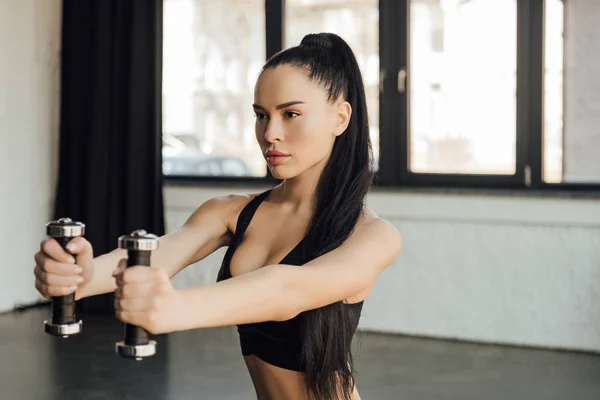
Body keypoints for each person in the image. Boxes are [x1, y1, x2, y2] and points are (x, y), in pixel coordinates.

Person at [33, 32, 402, 400]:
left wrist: (177, 309)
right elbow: (159, 253)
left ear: (340, 118)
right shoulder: (231, 212)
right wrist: (78, 275)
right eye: (261, 115)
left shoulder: (372, 236)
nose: (270, 133)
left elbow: (287, 290)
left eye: (291, 114)